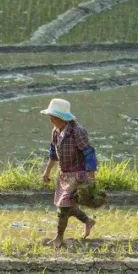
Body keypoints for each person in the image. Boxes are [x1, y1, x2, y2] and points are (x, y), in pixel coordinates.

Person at [39, 98, 98, 248]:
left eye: (52, 117)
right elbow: (53, 153)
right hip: (64, 175)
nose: (51, 119)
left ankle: (59, 238)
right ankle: (88, 221)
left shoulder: (77, 131)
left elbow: (89, 152)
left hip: (77, 175)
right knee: (68, 206)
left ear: (61, 117)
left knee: (63, 208)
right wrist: (47, 171)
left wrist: (91, 176)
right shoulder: (56, 131)